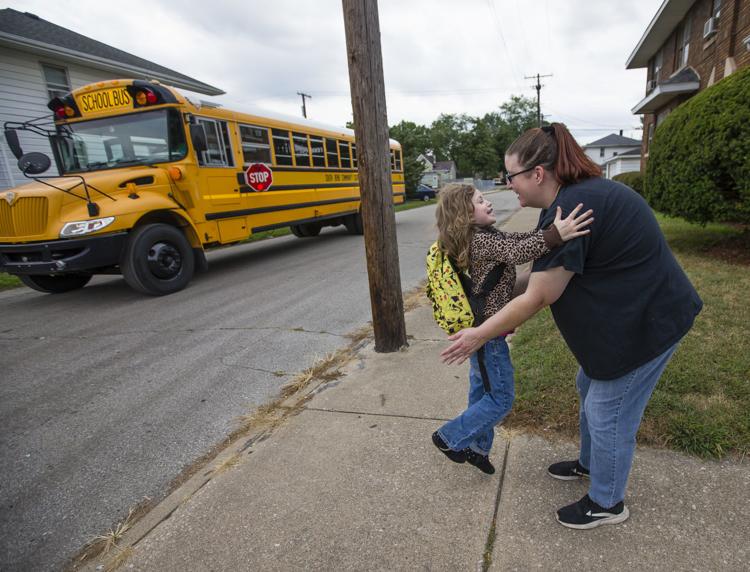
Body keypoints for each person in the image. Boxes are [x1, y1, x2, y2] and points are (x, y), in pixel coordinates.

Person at [441, 123, 702, 529]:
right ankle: (590, 463)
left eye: (511, 177)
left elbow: (540, 296)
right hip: (628, 318)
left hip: (649, 323)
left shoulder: (575, 209)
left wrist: (480, 333)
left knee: (607, 411)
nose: (508, 186)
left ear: (537, 174)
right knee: (588, 387)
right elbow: (538, 280)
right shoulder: (561, 208)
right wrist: (487, 305)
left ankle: (607, 502)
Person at [431, 183, 593, 475]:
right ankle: (449, 437)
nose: (488, 203)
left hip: (484, 329)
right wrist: (558, 234)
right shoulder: (479, 240)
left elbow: (520, 240)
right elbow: (517, 249)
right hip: (488, 334)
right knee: (501, 398)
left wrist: (547, 235)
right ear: (465, 214)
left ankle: (478, 448)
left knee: (482, 392)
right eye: (481, 202)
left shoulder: (484, 237)